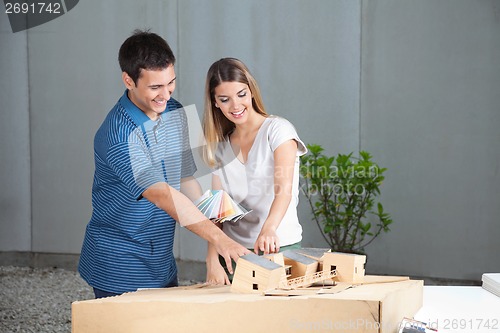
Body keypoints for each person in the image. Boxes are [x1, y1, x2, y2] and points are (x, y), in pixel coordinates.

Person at [78, 30, 249, 298]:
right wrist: (219, 239)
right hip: (118, 262)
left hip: (161, 260)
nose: (165, 94)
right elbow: (163, 195)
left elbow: (194, 182)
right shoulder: (118, 135)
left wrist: (217, 250)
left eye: (171, 83)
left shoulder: (176, 111)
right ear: (128, 80)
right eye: (155, 87)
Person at [202, 58, 307, 285]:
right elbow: (217, 211)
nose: (236, 105)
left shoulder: (278, 130)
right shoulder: (221, 147)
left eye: (241, 94)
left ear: (251, 92)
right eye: (225, 99)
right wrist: (212, 259)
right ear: (215, 103)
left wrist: (268, 229)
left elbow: (284, 191)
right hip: (232, 254)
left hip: (279, 246)